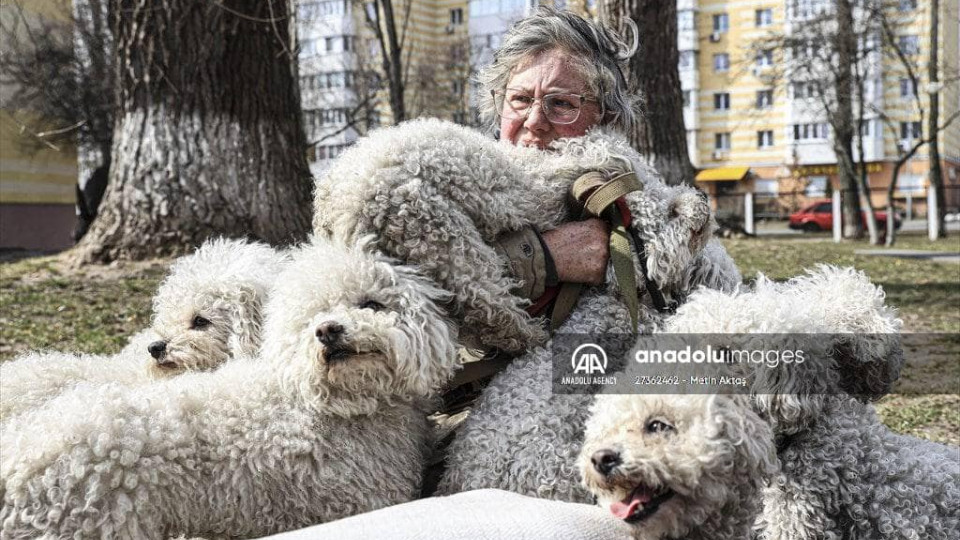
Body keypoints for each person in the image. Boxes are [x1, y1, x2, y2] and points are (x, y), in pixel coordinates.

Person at [485, 7, 640, 315]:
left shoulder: (639, 206)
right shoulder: (459, 187)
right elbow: (411, 284)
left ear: (605, 116)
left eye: (560, 103)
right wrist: (545, 257)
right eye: (519, 99)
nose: (534, 121)